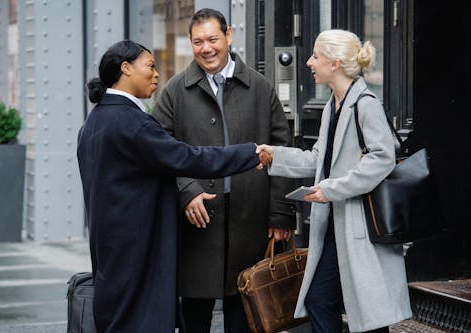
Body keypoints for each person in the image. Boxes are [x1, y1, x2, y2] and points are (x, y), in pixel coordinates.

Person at [77, 40, 263, 332]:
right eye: (149, 66)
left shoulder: (95, 120)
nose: (156, 74)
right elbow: (188, 158)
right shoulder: (130, 122)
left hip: (112, 248)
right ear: (126, 69)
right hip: (139, 251)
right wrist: (251, 153)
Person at [256, 29, 412, 332]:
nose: (310, 62)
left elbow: (382, 159)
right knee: (319, 300)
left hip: (361, 227)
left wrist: (330, 190)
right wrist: (275, 155)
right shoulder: (334, 104)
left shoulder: (365, 103)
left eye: (316, 56)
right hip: (335, 226)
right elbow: (319, 159)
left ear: (335, 63)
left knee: (370, 315)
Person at [152, 8, 296, 333]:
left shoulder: (260, 88)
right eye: (198, 41)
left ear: (229, 36)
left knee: (244, 317)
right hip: (196, 226)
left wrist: (281, 215)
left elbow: (282, 151)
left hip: (251, 220)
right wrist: (186, 191)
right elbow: (159, 152)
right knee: (194, 319)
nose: (206, 48)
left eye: (213, 39)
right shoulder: (175, 92)